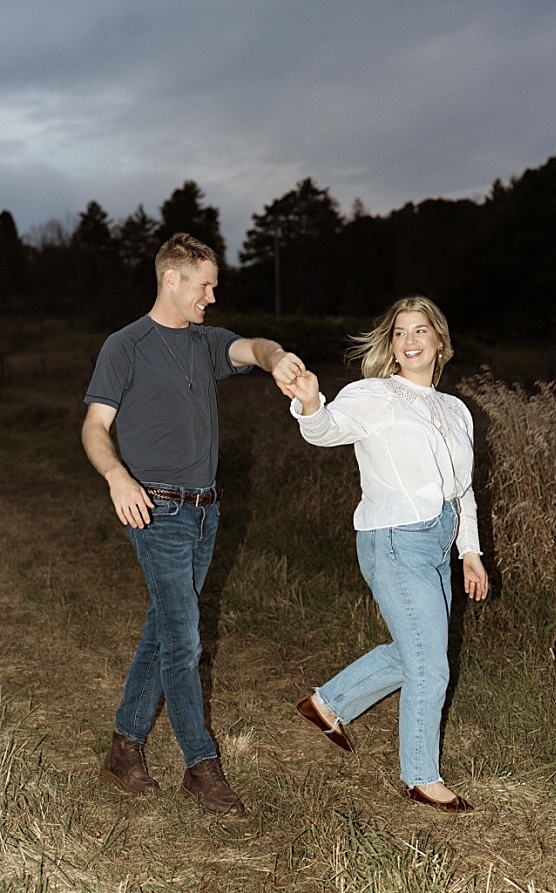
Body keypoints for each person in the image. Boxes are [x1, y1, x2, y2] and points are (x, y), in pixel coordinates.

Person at [82, 232, 306, 817]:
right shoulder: (124, 346)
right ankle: (201, 767)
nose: (211, 295)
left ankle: (124, 750)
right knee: (184, 641)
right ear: (172, 279)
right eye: (204, 284)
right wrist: (116, 476)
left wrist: (276, 356)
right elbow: (93, 427)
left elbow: (252, 348)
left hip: (207, 510)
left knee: (164, 628)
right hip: (154, 510)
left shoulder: (207, 344)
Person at [289, 295, 488, 813]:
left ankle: (327, 704)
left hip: (439, 541)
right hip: (395, 538)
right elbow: (326, 430)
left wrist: (470, 551)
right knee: (431, 665)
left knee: (418, 652)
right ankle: (421, 777)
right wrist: (311, 402)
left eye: (421, 331)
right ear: (391, 344)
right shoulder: (374, 395)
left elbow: (462, 489)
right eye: (400, 333)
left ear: (439, 341)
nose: (411, 341)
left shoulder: (456, 410)